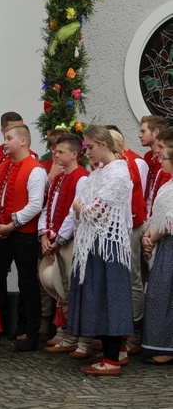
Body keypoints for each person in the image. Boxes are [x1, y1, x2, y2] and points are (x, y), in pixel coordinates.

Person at [68, 126, 134, 376]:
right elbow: (84, 203)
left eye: (91, 147)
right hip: (93, 244)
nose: (88, 152)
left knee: (111, 298)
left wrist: (80, 208)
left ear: (104, 145)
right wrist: (81, 207)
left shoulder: (118, 172)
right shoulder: (100, 172)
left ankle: (112, 359)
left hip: (109, 245)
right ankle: (110, 354)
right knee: (101, 298)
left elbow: (94, 210)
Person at [0, 124, 47, 352]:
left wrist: (11, 225)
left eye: (9, 137)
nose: (4, 141)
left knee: (27, 283)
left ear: (23, 141)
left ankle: (29, 332)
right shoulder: (2, 166)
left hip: (23, 235)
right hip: (0, 232)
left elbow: (35, 205)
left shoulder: (35, 169)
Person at [37, 134, 91, 357]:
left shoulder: (82, 178)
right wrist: (43, 236)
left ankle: (78, 335)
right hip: (54, 241)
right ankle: (65, 331)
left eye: (59, 152)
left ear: (74, 154)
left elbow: (73, 214)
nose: (55, 155)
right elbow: (47, 207)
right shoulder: (59, 178)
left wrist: (59, 240)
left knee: (70, 286)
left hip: (70, 241)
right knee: (56, 286)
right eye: (55, 151)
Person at [108, 126, 147, 356]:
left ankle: (133, 331)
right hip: (120, 227)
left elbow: (136, 196)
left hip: (131, 225)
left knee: (133, 278)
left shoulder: (130, 164)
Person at [141, 134, 173, 365]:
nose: (160, 161)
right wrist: (147, 235)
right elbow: (157, 214)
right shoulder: (168, 184)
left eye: (164, 158)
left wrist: (153, 237)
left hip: (169, 245)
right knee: (158, 295)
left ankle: (167, 348)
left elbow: (171, 220)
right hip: (162, 245)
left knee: (165, 297)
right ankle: (159, 344)